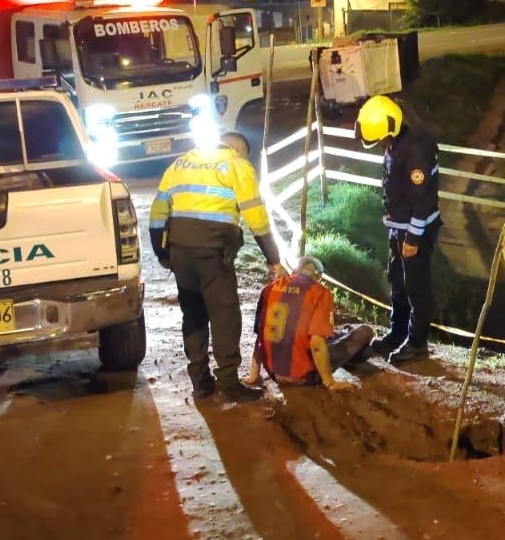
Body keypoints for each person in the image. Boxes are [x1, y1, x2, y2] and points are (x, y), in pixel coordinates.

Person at [149, 129, 287, 402]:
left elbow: (156, 215)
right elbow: (256, 217)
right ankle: (228, 384)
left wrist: (162, 253)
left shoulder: (180, 163)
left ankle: (200, 382)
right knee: (224, 314)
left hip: (180, 249)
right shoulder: (237, 165)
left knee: (193, 313)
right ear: (239, 150)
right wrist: (273, 259)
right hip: (212, 250)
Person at [355, 94, 440, 365]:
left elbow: (423, 198)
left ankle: (416, 344)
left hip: (416, 231)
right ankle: (398, 333)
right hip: (399, 228)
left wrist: (413, 237)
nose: (379, 144)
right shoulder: (397, 143)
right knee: (398, 283)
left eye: (380, 139)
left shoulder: (415, 150)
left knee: (416, 287)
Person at [243, 256, 373, 391]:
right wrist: (330, 382)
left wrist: (254, 375)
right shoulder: (320, 293)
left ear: (295, 271)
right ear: (317, 276)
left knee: (328, 336)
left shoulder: (268, 289)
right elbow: (316, 344)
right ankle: (357, 352)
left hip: (274, 373)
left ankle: (351, 342)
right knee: (365, 332)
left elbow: (260, 336)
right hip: (302, 376)